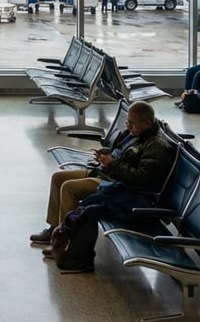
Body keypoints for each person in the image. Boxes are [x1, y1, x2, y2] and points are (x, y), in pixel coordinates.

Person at [30, 102, 172, 251]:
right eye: (127, 122)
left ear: (147, 122)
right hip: (108, 173)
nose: (128, 126)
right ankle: (54, 228)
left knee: (69, 188)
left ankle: (66, 243)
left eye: (132, 123)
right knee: (58, 178)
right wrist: (106, 155)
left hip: (118, 184)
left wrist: (113, 163)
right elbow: (119, 151)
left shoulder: (156, 145)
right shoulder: (136, 134)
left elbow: (141, 178)